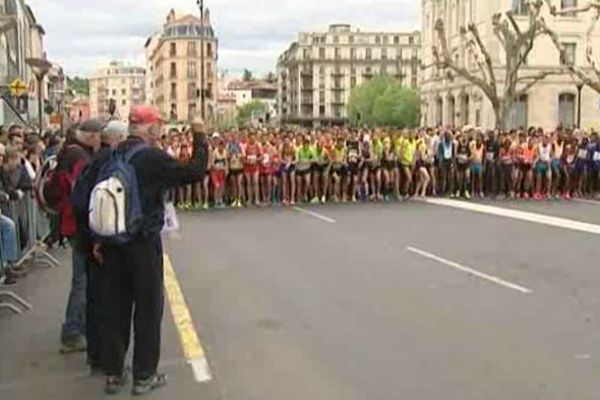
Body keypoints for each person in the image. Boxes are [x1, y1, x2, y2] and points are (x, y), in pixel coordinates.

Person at [98, 106, 207, 395]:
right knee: (147, 309)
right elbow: (194, 171)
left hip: (113, 242)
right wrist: (199, 134)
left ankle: (114, 372)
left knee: (116, 308)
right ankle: (144, 374)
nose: (160, 129)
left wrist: (97, 239)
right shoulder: (151, 157)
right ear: (149, 127)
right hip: (142, 242)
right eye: (158, 124)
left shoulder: (113, 153)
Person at [53, 120, 102, 354]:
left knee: (82, 279)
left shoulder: (70, 153)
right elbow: (82, 193)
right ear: (91, 136)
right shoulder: (79, 158)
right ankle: (73, 331)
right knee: (82, 280)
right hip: (77, 223)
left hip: (70, 220)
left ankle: (77, 327)